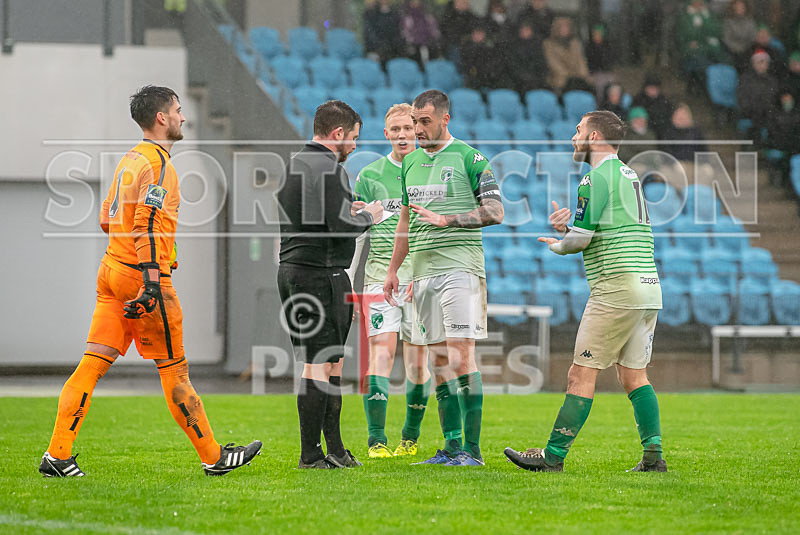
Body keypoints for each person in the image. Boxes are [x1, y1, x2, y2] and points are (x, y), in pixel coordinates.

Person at [39, 86, 262, 478]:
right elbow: (146, 223)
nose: (183, 117)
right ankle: (213, 457)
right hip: (142, 278)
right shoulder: (160, 166)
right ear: (162, 118)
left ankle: (57, 455)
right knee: (174, 369)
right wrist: (152, 281)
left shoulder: (129, 160)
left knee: (90, 365)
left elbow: (107, 218)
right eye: (178, 110)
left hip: (110, 272)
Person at [505, 110, 666, 473]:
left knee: (581, 374)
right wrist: (572, 227)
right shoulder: (629, 174)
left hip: (615, 288)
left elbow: (580, 241)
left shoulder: (594, 179)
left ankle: (552, 457)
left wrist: (558, 244)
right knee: (633, 375)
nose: (573, 137)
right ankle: (653, 458)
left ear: (594, 137)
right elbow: (600, 227)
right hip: (648, 287)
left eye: (578, 130)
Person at [384, 90, 504, 467]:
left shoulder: (471, 158)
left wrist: (448, 219)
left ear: (445, 119)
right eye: (415, 121)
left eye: (425, 121)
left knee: (460, 355)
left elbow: (496, 211)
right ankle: (452, 448)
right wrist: (392, 270)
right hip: (422, 272)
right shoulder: (410, 164)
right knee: (437, 359)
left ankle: (473, 450)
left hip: (459, 269)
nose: (418, 129)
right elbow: (404, 222)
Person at [277, 100, 384, 469]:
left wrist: (348, 209)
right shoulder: (329, 169)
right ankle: (310, 454)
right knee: (319, 364)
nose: (353, 146)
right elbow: (341, 227)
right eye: (353, 138)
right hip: (319, 274)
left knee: (330, 362)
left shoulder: (295, 165)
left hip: (293, 270)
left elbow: (321, 217)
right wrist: (369, 214)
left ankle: (335, 449)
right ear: (337, 134)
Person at [350, 104, 431, 459]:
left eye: (407, 128)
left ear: (417, 131)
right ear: (386, 134)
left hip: (421, 279)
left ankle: (410, 438)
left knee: (417, 363)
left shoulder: (430, 172)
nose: (401, 135)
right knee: (381, 355)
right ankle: (376, 440)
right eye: (395, 129)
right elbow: (357, 234)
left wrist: (426, 273)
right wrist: (350, 281)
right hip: (379, 276)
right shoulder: (369, 175)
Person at [676, 0, 726, 93]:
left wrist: (705, 20)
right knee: (701, 62)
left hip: (709, 49)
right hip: (690, 51)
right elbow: (686, 35)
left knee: (722, 61)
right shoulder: (684, 16)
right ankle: (704, 89)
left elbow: (717, 32)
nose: (698, 3)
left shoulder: (709, 15)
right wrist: (703, 36)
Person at [738, 49, 780, 146]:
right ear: (753, 64)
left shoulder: (773, 81)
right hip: (750, 115)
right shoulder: (745, 79)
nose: (762, 65)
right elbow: (743, 99)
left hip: (767, 116)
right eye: (759, 62)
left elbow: (774, 100)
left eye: (764, 62)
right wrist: (753, 112)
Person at [542, 17, 591, 93]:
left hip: (576, 76)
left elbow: (581, 61)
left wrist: (583, 76)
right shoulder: (548, 44)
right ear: (556, 29)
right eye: (562, 27)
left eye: (566, 27)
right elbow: (554, 64)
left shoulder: (576, 43)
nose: (564, 29)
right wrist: (570, 77)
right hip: (559, 77)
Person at [507, 21, 548, 94]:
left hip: (536, 80)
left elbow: (542, 64)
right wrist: (524, 77)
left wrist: (538, 78)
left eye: (527, 30)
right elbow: (513, 65)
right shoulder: (513, 46)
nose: (524, 33)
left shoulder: (538, 46)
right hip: (519, 82)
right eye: (522, 30)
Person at [631, 73, 675, 139]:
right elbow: (633, 119)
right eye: (650, 87)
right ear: (645, 88)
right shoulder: (638, 101)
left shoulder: (665, 102)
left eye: (655, 88)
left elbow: (669, 118)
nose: (653, 90)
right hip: (643, 135)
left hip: (662, 134)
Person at [460, 24, 499, 90]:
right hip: (472, 76)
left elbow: (492, 63)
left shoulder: (490, 48)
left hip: (486, 77)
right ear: (472, 35)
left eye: (480, 34)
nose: (478, 36)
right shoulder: (466, 47)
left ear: (484, 35)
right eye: (476, 33)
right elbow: (466, 63)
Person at [723, 0, 757, 70]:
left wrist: (745, 48)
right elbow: (727, 39)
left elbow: (752, 37)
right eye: (737, 6)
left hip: (747, 50)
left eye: (742, 7)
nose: (739, 8)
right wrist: (737, 49)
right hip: (732, 51)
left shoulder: (750, 21)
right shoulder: (728, 21)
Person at [586, 23, 615, 98]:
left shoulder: (607, 46)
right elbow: (589, 63)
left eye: (599, 34)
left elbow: (609, 61)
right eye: (595, 34)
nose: (597, 36)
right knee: (600, 87)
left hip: (607, 72)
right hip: (595, 73)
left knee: (613, 85)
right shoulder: (589, 47)